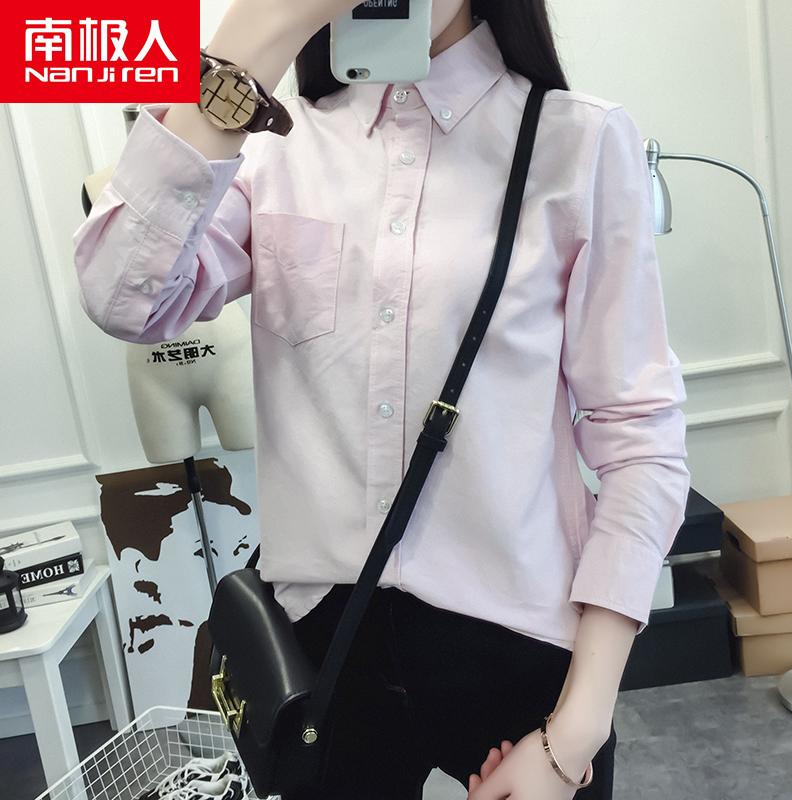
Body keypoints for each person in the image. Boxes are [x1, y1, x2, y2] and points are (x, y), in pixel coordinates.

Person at [72, 1, 691, 798]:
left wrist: (576, 732)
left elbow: (640, 440)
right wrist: (250, 40)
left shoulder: (577, 140)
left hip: (519, 639)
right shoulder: (274, 145)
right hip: (325, 646)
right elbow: (123, 299)